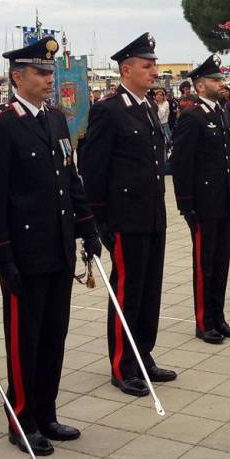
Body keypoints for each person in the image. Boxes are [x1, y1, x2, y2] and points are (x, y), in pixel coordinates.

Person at [0, 35, 100, 456]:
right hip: (24, 255)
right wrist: (1, 257)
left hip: (58, 248)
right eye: (42, 72)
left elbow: (70, 179)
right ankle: (22, 417)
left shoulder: (54, 119)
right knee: (24, 339)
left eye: (51, 71)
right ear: (18, 77)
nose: (50, 78)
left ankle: (46, 412)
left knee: (53, 334)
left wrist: (88, 229)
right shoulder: (2, 125)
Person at [79, 33, 175, 398]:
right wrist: (99, 219)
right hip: (125, 219)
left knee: (150, 290)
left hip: (152, 216)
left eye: (154, 65)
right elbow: (94, 168)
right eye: (147, 66)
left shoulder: (147, 107)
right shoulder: (109, 109)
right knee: (127, 291)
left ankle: (143, 353)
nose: (154, 71)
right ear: (126, 69)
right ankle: (122, 363)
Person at [170, 55, 230, 344]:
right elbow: (181, 163)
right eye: (215, 80)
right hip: (202, 204)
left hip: (222, 201)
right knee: (205, 263)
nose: (221, 83)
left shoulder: (219, 112)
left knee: (221, 261)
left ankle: (218, 317)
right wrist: (186, 204)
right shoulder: (191, 116)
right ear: (200, 85)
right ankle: (203, 321)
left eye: (221, 79)